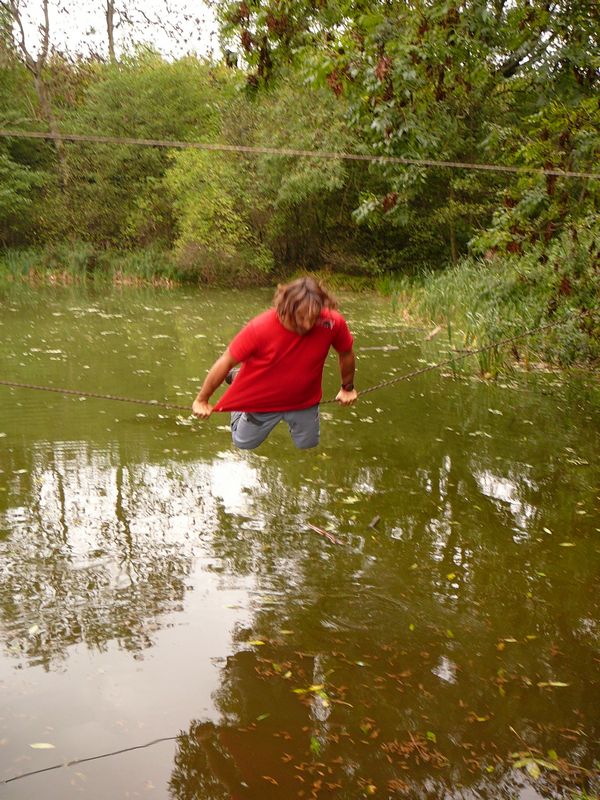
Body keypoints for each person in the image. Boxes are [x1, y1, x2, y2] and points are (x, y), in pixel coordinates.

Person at [191, 276, 358, 449]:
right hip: (262, 401)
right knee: (243, 443)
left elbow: (346, 353)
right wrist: (202, 400)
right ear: (285, 309)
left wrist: (348, 388)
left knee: (308, 444)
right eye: (301, 317)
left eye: (314, 317)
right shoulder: (259, 328)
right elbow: (226, 361)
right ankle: (240, 383)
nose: (307, 324)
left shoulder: (331, 322)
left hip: (304, 401)